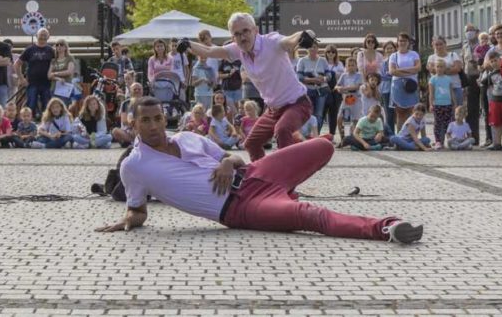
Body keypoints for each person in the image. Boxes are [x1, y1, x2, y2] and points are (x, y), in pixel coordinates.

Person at [97, 96, 423, 243]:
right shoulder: (134, 166)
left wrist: (227, 161)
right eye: (145, 120)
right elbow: (138, 211)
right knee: (310, 215)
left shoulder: (186, 136)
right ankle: (386, 227)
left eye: (157, 119)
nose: (154, 126)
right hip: (242, 208)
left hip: (255, 175)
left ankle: (287, 193)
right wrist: (128, 219)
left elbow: (235, 158)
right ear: (132, 122)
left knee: (323, 146)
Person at [184, 13, 314, 162]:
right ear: (233, 38)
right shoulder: (237, 50)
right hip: (273, 110)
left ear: (256, 30)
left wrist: (304, 35)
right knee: (251, 143)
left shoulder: (271, 41)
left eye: (246, 31)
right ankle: (261, 178)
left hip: (297, 104)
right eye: (237, 34)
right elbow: (209, 51)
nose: (242, 37)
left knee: (282, 130)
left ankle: (287, 180)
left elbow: (289, 41)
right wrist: (188, 44)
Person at [16, 28, 55, 116]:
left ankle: (45, 126)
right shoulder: (30, 49)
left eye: (45, 35)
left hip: (47, 84)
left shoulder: (51, 50)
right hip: (32, 83)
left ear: (48, 37)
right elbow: (17, 64)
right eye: (41, 34)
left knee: (47, 106)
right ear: (37, 36)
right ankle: (30, 127)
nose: (43, 36)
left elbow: (57, 64)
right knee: (31, 106)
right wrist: (21, 78)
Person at [482, 49, 502, 151]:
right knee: (496, 123)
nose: (493, 63)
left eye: (495, 60)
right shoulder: (490, 75)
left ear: (500, 60)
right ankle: (497, 143)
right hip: (495, 100)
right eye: (491, 61)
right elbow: (486, 85)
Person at [389, 32, 422, 132]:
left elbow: (418, 68)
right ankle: (400, 136)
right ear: (397, 42)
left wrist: (400, 71)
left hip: (411, 86)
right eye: (400, 40)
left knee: (413, 112)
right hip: (398, 86)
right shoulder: (393, 56)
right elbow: (392, 71)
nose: (402, 42)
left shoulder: (414, 54)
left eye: (404, 41)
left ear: (408, 42)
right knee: (400, 113)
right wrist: (409, 72)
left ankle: (412, 136)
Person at [297, 41, 329, 129]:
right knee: (308, 113)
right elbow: (299, 77)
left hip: (321, 91)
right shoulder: (302, 60)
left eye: (314, 47)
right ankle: (308, 134)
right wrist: (312, 80)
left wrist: (323, 79)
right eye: (310, 47)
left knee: (319, 114)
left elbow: (329, 75)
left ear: (317, 48)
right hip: (307, 91)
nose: (312, 49)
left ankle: (316, 135)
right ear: (307, 49)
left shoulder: (323, 60)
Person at [460, 23, 483, 143]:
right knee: (471, 109)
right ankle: (473, 136)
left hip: (482, 76)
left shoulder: (482, 44)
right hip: (469, 77)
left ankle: (492, 138)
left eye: (471, 30)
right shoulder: (464, 46)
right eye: (467, 30)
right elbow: (462, 63)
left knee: (485, 107)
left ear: (476, 31)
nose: (469, 32)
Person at [334, 56, 364, 145]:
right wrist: (339, 88)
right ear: (346, 67)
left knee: (355, 120)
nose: (351, 67)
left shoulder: (359, 75)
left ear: (356, 66)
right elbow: (336, 86)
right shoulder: (344, 75)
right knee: (342, 119)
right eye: (349, 65)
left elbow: (356, 87)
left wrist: (344, 88)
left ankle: (355, 139)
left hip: (356, 101)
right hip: (346, 101)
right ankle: (345, 139)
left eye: (353, 65)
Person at [427, 36, 463, 107]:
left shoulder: (453, 55)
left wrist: (440, 70)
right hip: (439, 89)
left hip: (455, 86)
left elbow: (457, 69)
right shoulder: (431, 58)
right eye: (436, 45)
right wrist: (450, 68)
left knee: (457, 111)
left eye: (441, 44)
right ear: (433, 46)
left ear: (445, 44)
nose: (439, 46)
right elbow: (432, 70)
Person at [428, 58, 456, 149]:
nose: (439, 68)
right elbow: (431, 93)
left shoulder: (448, 79)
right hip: (437, 104)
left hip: (447, 104)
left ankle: (447, 140)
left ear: (445, 68)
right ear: (435, 68)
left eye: (441, 67)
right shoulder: (433, 79)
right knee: (438, 123)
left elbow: (451, 92)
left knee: (448, 123)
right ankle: (438, 141)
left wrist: (454, 103)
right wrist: (431, 104)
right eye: (438, 67)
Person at [318, 45, 343, 136]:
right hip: (324, 89)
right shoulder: (322, 63)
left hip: (335, 90)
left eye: (333, 52)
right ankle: (316, 133)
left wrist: (331, 75)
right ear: (326, 53)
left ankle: (331, 134)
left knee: (333, 113)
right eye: (328, 52)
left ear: (335, 53)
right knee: (321, 112)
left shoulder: (339, 64)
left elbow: (341, 76)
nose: (330, 54)